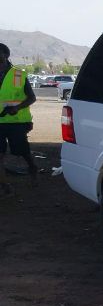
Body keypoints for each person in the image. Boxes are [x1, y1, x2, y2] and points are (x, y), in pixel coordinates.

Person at [0, 43, 38, 194]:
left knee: (21, 150)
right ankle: (5, 186)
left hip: (16, 121)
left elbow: (32, 98)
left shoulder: (18, 75)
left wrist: (17, 108)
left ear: (6, 55)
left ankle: (32, 166)